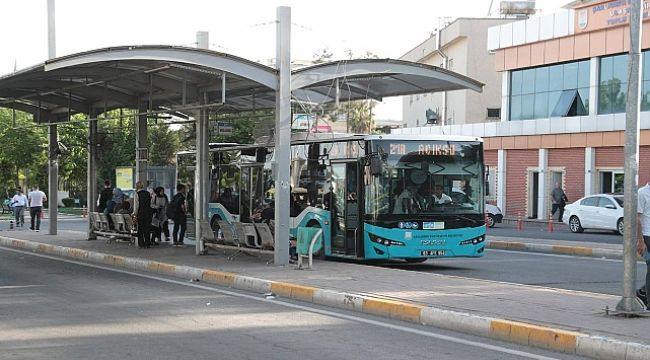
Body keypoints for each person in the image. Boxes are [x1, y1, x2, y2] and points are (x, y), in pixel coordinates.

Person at [637, 181, 650, 310]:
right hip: (646, 237)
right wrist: (640, 241)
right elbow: (637, 218)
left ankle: (642, 292)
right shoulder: (642, 193)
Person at [132, 181, 153, 248]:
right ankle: (148, 243)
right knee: (147, 229)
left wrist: (134, 214)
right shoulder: (148, 193)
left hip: (140, 214)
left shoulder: (136, 194)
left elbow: (136, 206)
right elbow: (150, 204)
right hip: (148, 213)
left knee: (140, 229)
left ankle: (141, 243)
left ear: (137, 187)